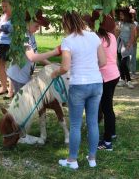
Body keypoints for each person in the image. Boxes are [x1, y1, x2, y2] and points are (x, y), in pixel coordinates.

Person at [51, 11, 106, 169]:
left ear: (66, 24)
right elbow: (103, 62)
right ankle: (92, 158)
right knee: (92, 122)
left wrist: (55, 73)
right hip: (96, 84)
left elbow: (65, 67)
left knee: (75, 124)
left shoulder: (67, 41)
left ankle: (72, 160)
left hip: (79, 85)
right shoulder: (94, 36)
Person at [7, 10, 59, 94]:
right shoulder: (23, 36)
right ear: (29, 22)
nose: (38, 28)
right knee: (24, 102)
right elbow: (32, 57)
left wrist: (51, 65)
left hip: (24, 75)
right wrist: (54, 52)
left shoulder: (31, 35)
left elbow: (36, 55)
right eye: (36, 26)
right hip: (18, 77)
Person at [96, 13, 120, 151]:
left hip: (105, 76)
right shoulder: (111, 36)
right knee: (108, 106)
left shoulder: (97, 39)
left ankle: (107, 142)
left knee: (106, 108)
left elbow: (98, 59)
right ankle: (112, 132)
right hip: (114, 74)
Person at [116, 8, 135, 88]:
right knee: (120, 63)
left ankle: (129, 81)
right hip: (119, 44)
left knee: (123, 63)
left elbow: (132, 36)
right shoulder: (118, 23)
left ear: (126, 15)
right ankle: (123, 79)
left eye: (122, 14)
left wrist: (129, 45)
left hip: (127, 45)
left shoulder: (131, 25)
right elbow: (116, 35)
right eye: (120, 14)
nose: (120, 16)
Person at [129, 7, 139, 77]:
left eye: (133, 14)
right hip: (126, 42)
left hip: (133, 42)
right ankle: (128, 72)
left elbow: (137, 33)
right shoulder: (126, 22)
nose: (132, 15)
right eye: (131, 13)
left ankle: (133, 72)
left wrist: (134, 41)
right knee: (127, 58)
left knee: (133, 57)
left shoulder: (136, 23)